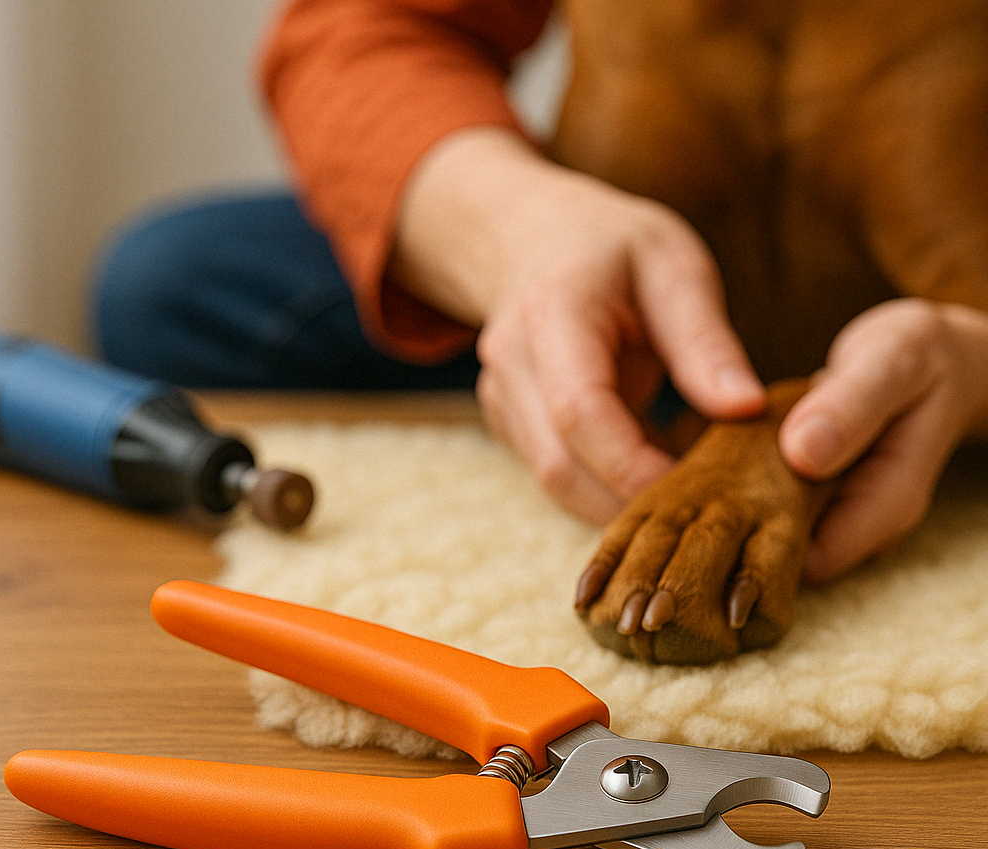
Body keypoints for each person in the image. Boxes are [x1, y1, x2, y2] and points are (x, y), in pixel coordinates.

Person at [94, 0, 988, 585]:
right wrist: (519, 236)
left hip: (944, 345)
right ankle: (567, 379)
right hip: (636, 305)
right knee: (170, 282)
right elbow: (360, 29)